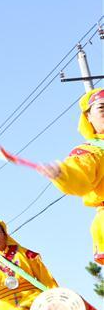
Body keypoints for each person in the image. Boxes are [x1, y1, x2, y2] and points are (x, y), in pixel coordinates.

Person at [41, 88, 104, 264]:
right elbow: (78, 174)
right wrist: (63, 174)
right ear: (88, 117)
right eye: (102, 108)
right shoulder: (90, 151)